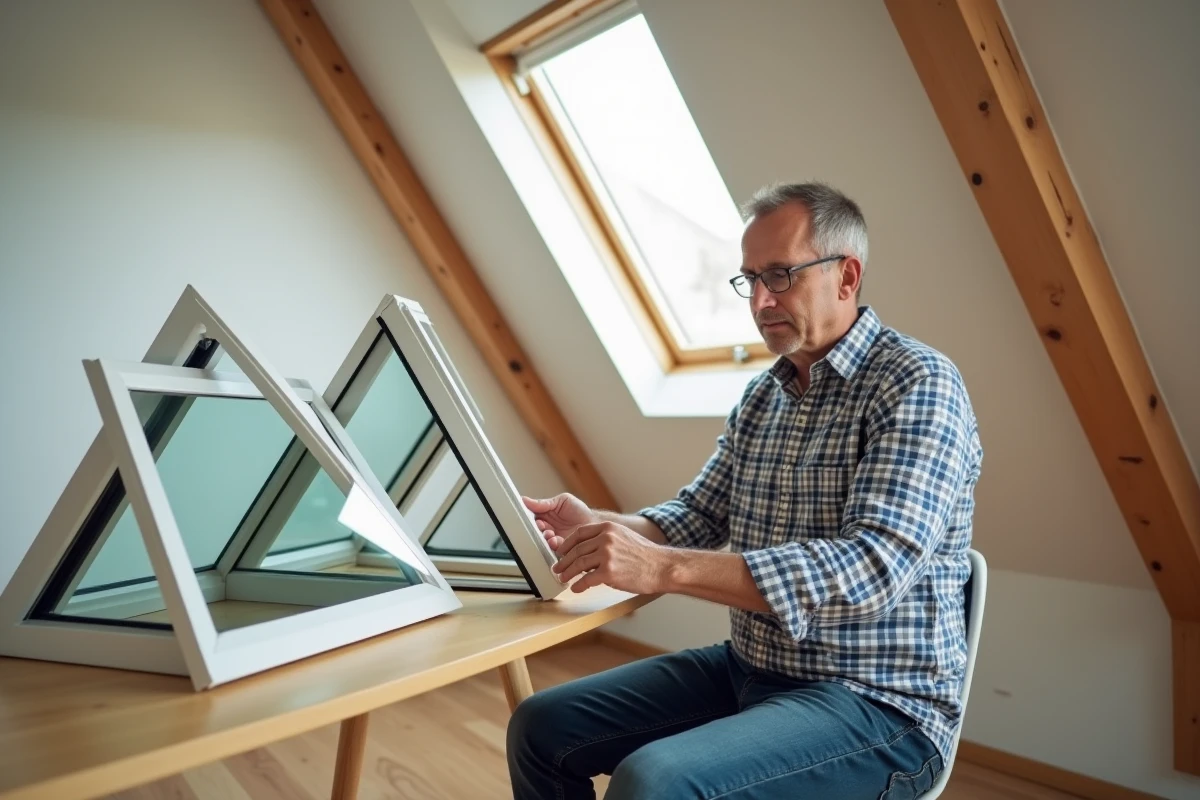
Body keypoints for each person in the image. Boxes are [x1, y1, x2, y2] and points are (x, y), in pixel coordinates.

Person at [508, 182, 982, 799]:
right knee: (540, 727)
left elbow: (873, 567)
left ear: (846, 276)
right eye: (750, 279)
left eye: (780, 275)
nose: (760, 300)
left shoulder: (917, 382)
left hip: (879, 706)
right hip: (752, 669)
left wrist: (663, 569)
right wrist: (600, 524)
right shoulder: (765, 395)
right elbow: (695, 515)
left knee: (655, 783)